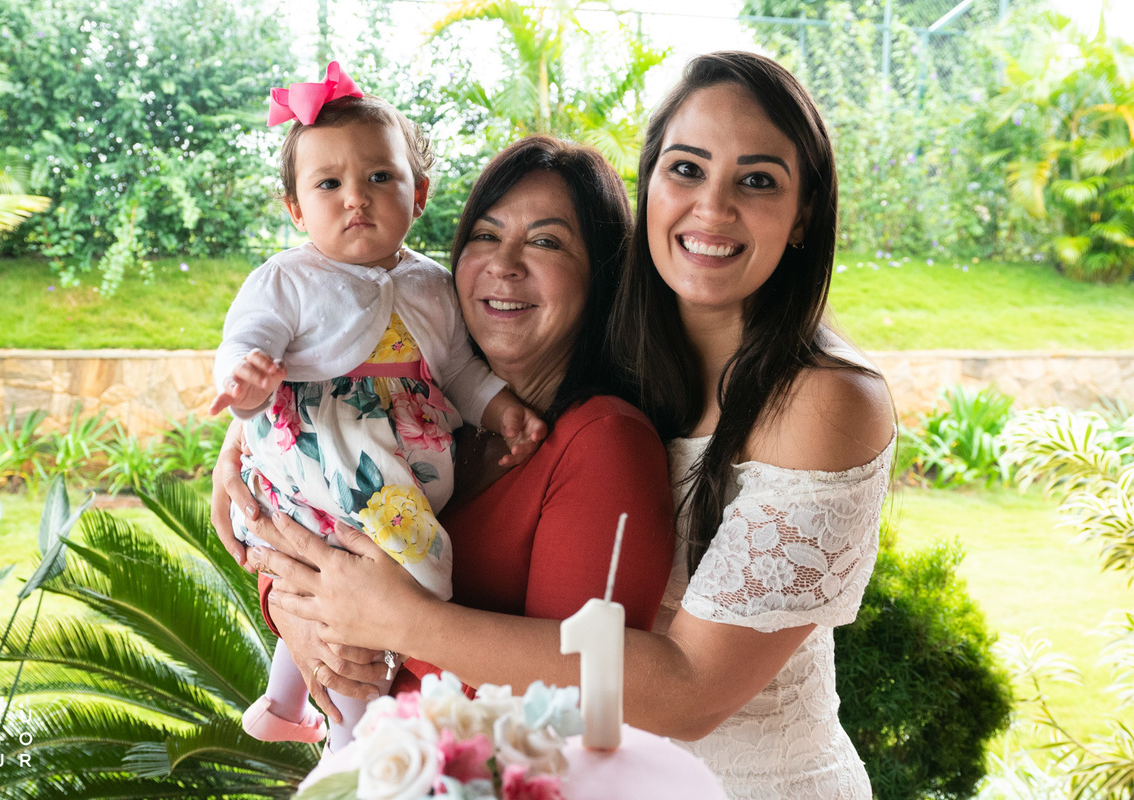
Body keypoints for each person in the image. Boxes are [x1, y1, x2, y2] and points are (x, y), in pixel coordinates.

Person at [238, 51, 894, 799]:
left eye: (758, 180)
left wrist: (391, 621)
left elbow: (684, 695)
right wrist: (285, 560)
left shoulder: (803, 404)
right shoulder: (470, 408)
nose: (711, 207)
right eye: (686, 169)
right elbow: (333, 513)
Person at [211, 134, 676, 747]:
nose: (504, 265)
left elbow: (588, 701)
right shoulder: (434, 416)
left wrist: (395, 624)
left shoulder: (604, 443)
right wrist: (293, 608)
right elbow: (322, 542)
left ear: (602, 274)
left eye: (546, 241)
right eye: (485, 235)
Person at [209, 60, 543, 750]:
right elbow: (247, 340)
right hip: (328, 452)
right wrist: (247, 381)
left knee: (339, 581)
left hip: (396, 456)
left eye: (380, 177)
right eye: (328, 184)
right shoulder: (287, 278)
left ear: (418, 195)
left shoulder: (434, 285)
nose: (355, 198)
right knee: (396, 577)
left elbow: (456, 369)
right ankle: (349, 739)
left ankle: (282, 701)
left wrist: (498, 407)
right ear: (296, 210)